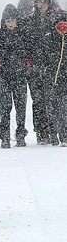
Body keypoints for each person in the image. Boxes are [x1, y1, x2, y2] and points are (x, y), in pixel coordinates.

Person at [22, 0, 62, 145]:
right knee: (37, 100)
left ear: (50, 2)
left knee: (51, 99)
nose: (43, 4)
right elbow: (25, 43)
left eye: (45, 1)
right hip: (34, 67)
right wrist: (29, 61)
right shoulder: (29, 21)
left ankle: (54, 130)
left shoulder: (56, 20)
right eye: (40, 1)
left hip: (51, 66)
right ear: (36, 2)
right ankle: (41, 131)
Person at [0, 4, 29, 148]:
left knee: (21, 106)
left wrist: (26, 66)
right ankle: (4, 135)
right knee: (5, 106)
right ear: (3, 21)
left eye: (13, 20)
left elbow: (31, 52)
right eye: (8, 21)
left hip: (20, 76)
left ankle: (20, 133)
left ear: (17, 20)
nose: (10, 24)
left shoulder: (23, 34)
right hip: (4, 76)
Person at [44, 12, 67, 147]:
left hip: (65, 79)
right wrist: (45, 70)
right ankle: (53, 134)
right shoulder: (49, 38)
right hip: (51, 79)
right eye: (60, 26)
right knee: (52, 108)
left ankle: (64, 135)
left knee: (64, 108)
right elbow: (42, 56)